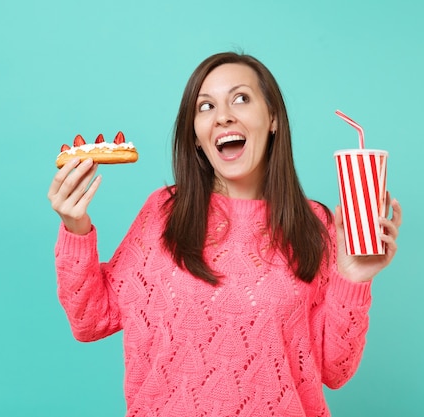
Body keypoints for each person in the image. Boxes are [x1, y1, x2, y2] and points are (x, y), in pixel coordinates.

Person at [48, 52, 402, 416]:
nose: (223, 116)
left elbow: (334, 371)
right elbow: (91, 320)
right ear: (197, 137)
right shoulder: (163, 213)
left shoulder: (316, 225)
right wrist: (75, 228)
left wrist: (353, 278)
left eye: (241, 99)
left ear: (273, 119)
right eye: (206, 106)